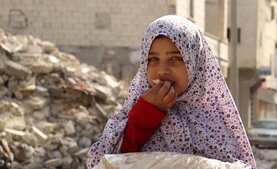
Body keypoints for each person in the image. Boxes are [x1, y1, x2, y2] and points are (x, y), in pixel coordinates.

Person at [87, 15, 257, 169]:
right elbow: (108, 160)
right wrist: (146, 112)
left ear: (195, 62)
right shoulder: (132, 112)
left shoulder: (215, 120)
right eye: (153, 59)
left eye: (175, 58)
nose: (162, 70)